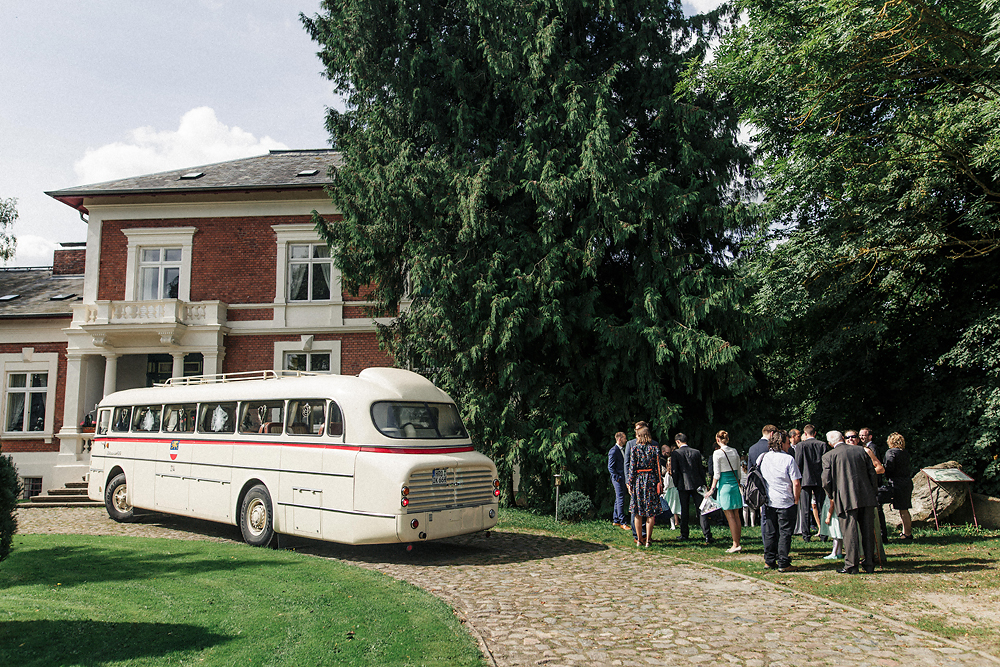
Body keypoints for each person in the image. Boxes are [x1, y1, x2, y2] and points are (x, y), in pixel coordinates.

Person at [822, 429, 878, 574]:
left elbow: (826, 480)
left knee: (849, 532)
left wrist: (831, 495)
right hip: (866, 496)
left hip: (845, 498)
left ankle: (852, 565)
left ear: (830, 443)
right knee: (867, 531)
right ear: (842, 438)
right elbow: (872, 473)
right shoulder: (861, 451)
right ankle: (869, 563)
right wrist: (873, 492)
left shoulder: (829, 456)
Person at [756, 429, 801, 572]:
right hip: (785, 500)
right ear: (781, 443)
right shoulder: (788, 459)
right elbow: (796, 483)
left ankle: (769, 560)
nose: (789, 445)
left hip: (769, 500)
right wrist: (796, 499)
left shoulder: (763, 457)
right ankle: (783, 562)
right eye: (787, 442)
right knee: (785, 533)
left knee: (770, 532)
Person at [704, 430, 743, 553]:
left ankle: (735, 544)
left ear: (717, 440)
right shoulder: (734, 451)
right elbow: (739, 470)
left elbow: (716, 474)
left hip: (725, 485)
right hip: (735, 483)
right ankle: (738, 542)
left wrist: (712, 489)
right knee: (736, 514)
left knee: (730, 516)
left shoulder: (717, 453)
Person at [670, 432, 713, 544]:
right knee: (702, 509)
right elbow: (700, 469)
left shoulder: (676, 453)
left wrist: (676, 483)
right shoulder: (696, 452)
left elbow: (675, 471)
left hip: (682, 484)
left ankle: (684, 533)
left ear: (678, 442)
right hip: (697, 483)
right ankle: (707, 534)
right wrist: (704, 484)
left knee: (684, 509)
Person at [627, 426, 662, 547]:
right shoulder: (654, 449)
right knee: (650, 512)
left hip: (638, 481)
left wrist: (630, 483)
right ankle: (648, 539)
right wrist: (659, 482)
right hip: (651, 480)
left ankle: (639, 539)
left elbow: (632, 468)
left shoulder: (634, 449)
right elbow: (658, 468)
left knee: (637, 511)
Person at [794, 424, 827, 542]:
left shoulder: (801, 445)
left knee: (805, 508)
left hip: (805, 479)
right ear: (815, 433)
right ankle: (824, 533)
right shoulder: (822, 445)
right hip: (819, 479)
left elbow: (797, 463)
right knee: (821, 506)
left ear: (805, 433)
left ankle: (806, 535)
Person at [883, 432, 914, 542]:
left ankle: (908, 533)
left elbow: (889, 467)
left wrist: (886, 474)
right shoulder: (905, 453)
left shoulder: (891, 452)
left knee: (903, 509)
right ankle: (906, 531)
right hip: (907, 481)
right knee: (904, 508)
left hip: (897, 482)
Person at [861, 426, 889, 543]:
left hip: (874, 484)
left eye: (864, 435)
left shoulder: (871, 448)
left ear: (870, 436)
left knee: (877, 510)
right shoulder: (865, 448)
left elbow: (877, 466)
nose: (862, 437)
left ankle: (882, 534)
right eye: (860, 435)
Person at [608, 432, 628, 528]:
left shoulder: (621, 450)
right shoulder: (614, 451)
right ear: (620, 439)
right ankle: (622, 522)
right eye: (624, 438)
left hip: (622, 478)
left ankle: (616, 520)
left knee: (619, 498)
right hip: (618, 479)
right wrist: (617, 477)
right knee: (620, 499)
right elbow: (610, 467)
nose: (626, 440)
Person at [661, 442, 680, 529]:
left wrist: (663, 491)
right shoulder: (676, 473)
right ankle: (677, 522)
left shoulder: (668, 475)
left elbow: (666, 485)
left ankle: (673, 524)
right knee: (676, 507)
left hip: (669, 492)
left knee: (670, 508)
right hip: (676, 491)